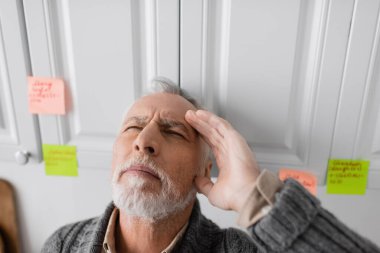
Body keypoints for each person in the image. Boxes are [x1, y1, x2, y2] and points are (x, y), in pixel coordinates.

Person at [42, 78, 380, 253]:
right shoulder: (62, 244)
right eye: (132, 126)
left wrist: (255, 198)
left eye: (172, 131)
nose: (143, 141)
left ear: (204, 171)